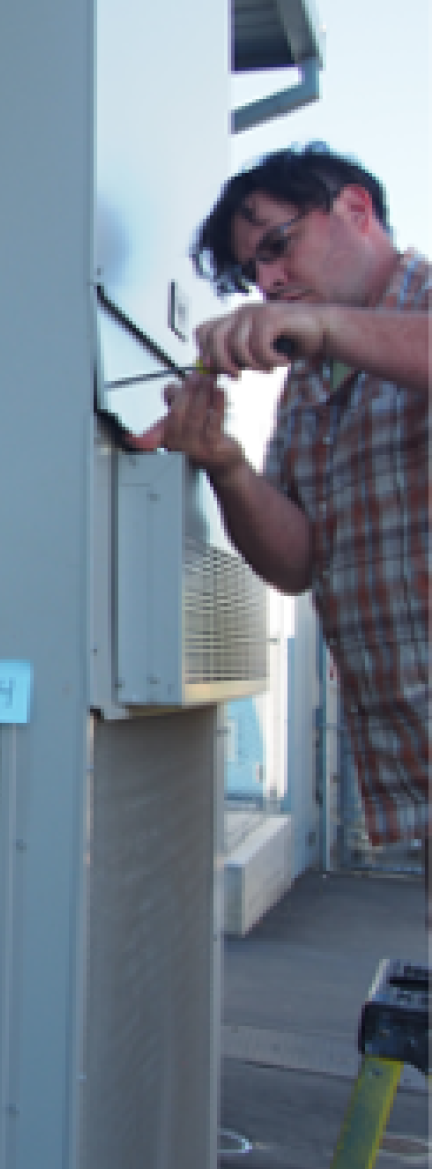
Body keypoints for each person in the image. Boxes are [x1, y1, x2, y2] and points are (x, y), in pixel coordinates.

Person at [133, 144, 430, 911]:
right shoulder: (309, 384)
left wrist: (321, 324)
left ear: (356, 209)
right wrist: (224, 463)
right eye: (253, 273)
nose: (268, 284)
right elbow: (299, 562)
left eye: (277, 246)